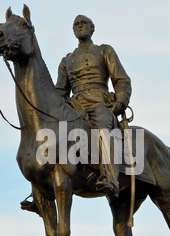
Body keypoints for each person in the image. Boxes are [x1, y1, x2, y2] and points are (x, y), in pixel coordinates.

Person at [56, 14, 132, 196]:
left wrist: (120, 101)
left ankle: (110, 177)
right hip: (74, 105)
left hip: (99, 101)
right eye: (76, 25)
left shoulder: (104, 51)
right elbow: (60, 91)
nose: (80, 26)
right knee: (49, 132)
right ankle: (40, 186)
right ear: (73, 30)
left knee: (104, 128)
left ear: (92, 28)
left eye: (84, 24)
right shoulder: (66, 61)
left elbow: (122, 80)